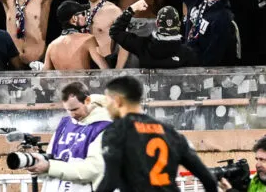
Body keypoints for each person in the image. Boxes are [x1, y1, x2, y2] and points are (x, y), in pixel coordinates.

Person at [92, 75, 220, 192]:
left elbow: (110, 181)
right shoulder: (170, 132)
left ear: (117, 101)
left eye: (108, 102)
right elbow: (209, 180)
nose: (107, 108)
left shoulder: (116, 131)